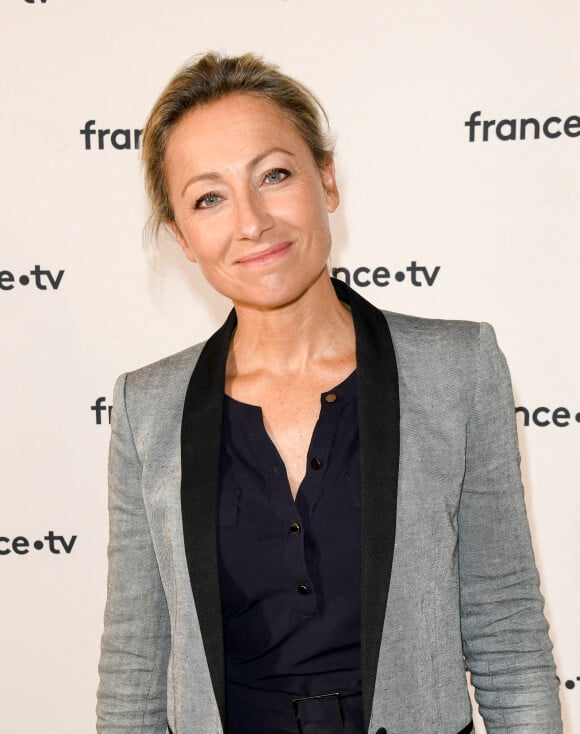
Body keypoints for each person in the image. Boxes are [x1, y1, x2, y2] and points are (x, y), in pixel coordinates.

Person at [96, 52, 562, 734]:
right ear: (183, 238)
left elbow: (505, 623)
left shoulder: (457, 368)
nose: (251, 221)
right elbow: (137, 661)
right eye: (209, 198)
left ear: (327, 179)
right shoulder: (148, 408)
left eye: (274, 175)